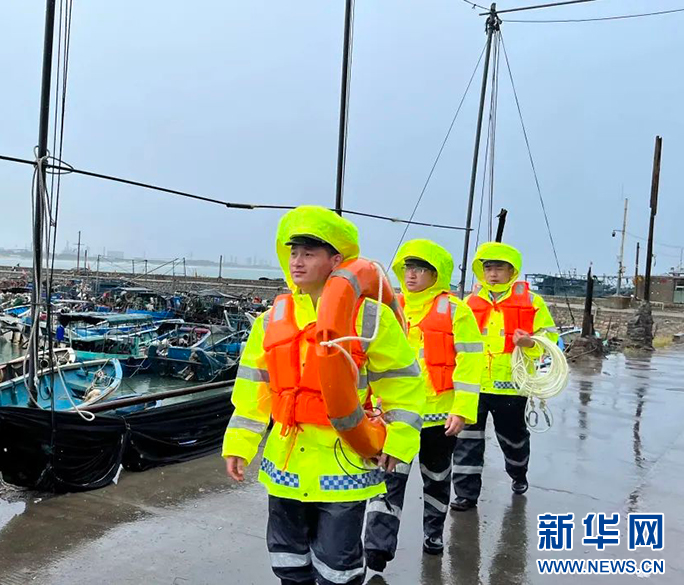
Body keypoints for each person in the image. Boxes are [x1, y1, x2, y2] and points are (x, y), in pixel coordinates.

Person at [222, 206, 425, 585]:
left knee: (338, 566)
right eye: (293, 253)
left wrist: (399, 441)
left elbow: (404, 386)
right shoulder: (270, 320)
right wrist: (239, 444)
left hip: (342, 463)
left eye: (309, 253)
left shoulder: (370, 318)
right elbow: (252, 391)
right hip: (285, 465)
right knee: (287, 559)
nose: (297, 262)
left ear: (336, 261)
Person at [364, 239, 483, 568]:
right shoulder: (389, 310)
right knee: (388, 478)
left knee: (437, 478)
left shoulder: (457, 311)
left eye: (420, 269)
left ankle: (433, 534)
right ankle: (377, 547)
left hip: (439, 418)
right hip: (395, 416)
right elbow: (370, 359)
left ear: (436, 275)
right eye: (407, 268)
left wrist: (462, 409)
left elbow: (470, 362)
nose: (411, 275)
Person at [451, 242, 558, 510]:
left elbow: (551, 338)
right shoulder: (468, 303)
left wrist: (530, 343)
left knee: (513, 440)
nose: (493, 273)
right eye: (488, 268)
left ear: (512, 271)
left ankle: (518, 473)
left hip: (511, 387)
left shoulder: (532, 302)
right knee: (466, 442)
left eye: (499, 268)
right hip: (473, 386)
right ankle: (465, 494)